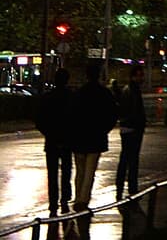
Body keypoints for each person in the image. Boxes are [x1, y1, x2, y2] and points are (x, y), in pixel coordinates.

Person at [68, 62, 119, 213]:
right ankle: (84, 199)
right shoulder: (104, 93)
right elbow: (112, 114)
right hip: (96, 137)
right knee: (90, 171)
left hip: (79, 136)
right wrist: (104, 130)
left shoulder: (79, 93)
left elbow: (71, 114)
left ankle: (77, 198)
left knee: (80, 170)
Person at [33, 69, 74, 215]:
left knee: (52, 172)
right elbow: (75, 120)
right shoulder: (71, 97)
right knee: (66, 169)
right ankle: (65, 197)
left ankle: (53, 201)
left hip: (51, 140)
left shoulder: (47, 98)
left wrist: (49, 133)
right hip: (67, 140)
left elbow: (39, 120)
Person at [114, 72, 146, 200]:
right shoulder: (132, 91)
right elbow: (134, 110)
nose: (141, 78)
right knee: (131, 158)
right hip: (132, 127)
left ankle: (121, 184)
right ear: (133, 77)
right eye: (138, 75)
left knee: (126, 157)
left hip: (128, 127)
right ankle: (131, 186)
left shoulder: (128, 90)